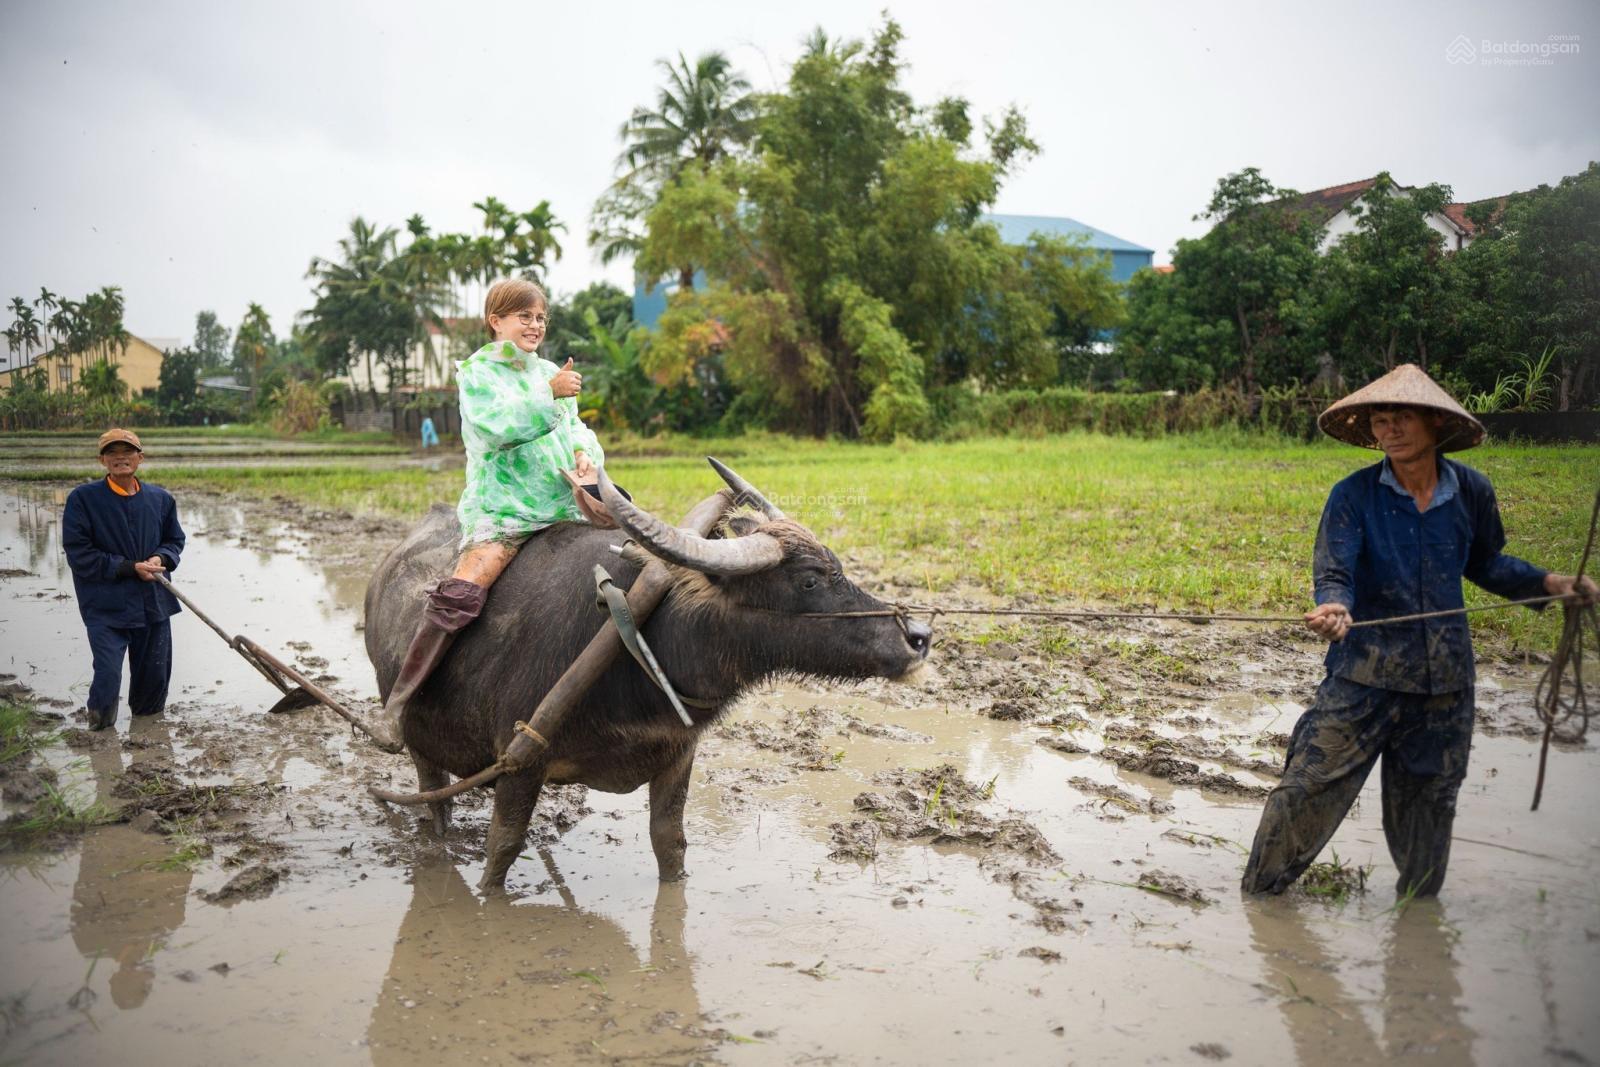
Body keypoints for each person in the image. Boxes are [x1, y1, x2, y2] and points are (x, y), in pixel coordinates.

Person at [1242, 364, 1596, 898]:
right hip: (1364, 676)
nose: (1389, 431)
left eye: (1401, 418)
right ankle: (1260, 900)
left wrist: (1550, 583)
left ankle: (1418, 924)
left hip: (1445, 683)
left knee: (1430, 804)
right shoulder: (1353, 495)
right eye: (1380, 422)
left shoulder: (1472, 490)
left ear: (1434, 424)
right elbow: (1334, 569)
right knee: (1307, 788)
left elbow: (1486, 563)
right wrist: (1334, 606)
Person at [367, 279, 610, 752]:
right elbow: (495, 429)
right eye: (525, 316)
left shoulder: (550, 370)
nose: (535, 325)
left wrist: (586, 456)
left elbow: (577, 427)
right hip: (506, 510)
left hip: (563, 502)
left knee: (631, 560)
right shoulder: (477, 374)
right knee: (461, 593)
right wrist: (549, 392)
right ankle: (398, 707)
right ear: (496, 321)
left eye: (540, 317)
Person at [61, 429, 187, 731]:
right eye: (112, 452)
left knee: (154, 680)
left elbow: (174, 540)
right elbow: (80, 554)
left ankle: (149, 740)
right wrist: (130, 567)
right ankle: (100, 734)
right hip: (106, 606)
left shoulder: (160, 499)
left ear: (140, 458)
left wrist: (161, 559)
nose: (121, 457)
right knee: (108, 676)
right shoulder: (83, 499)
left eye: (128, 451)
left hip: (153, 605)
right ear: (102, 460)